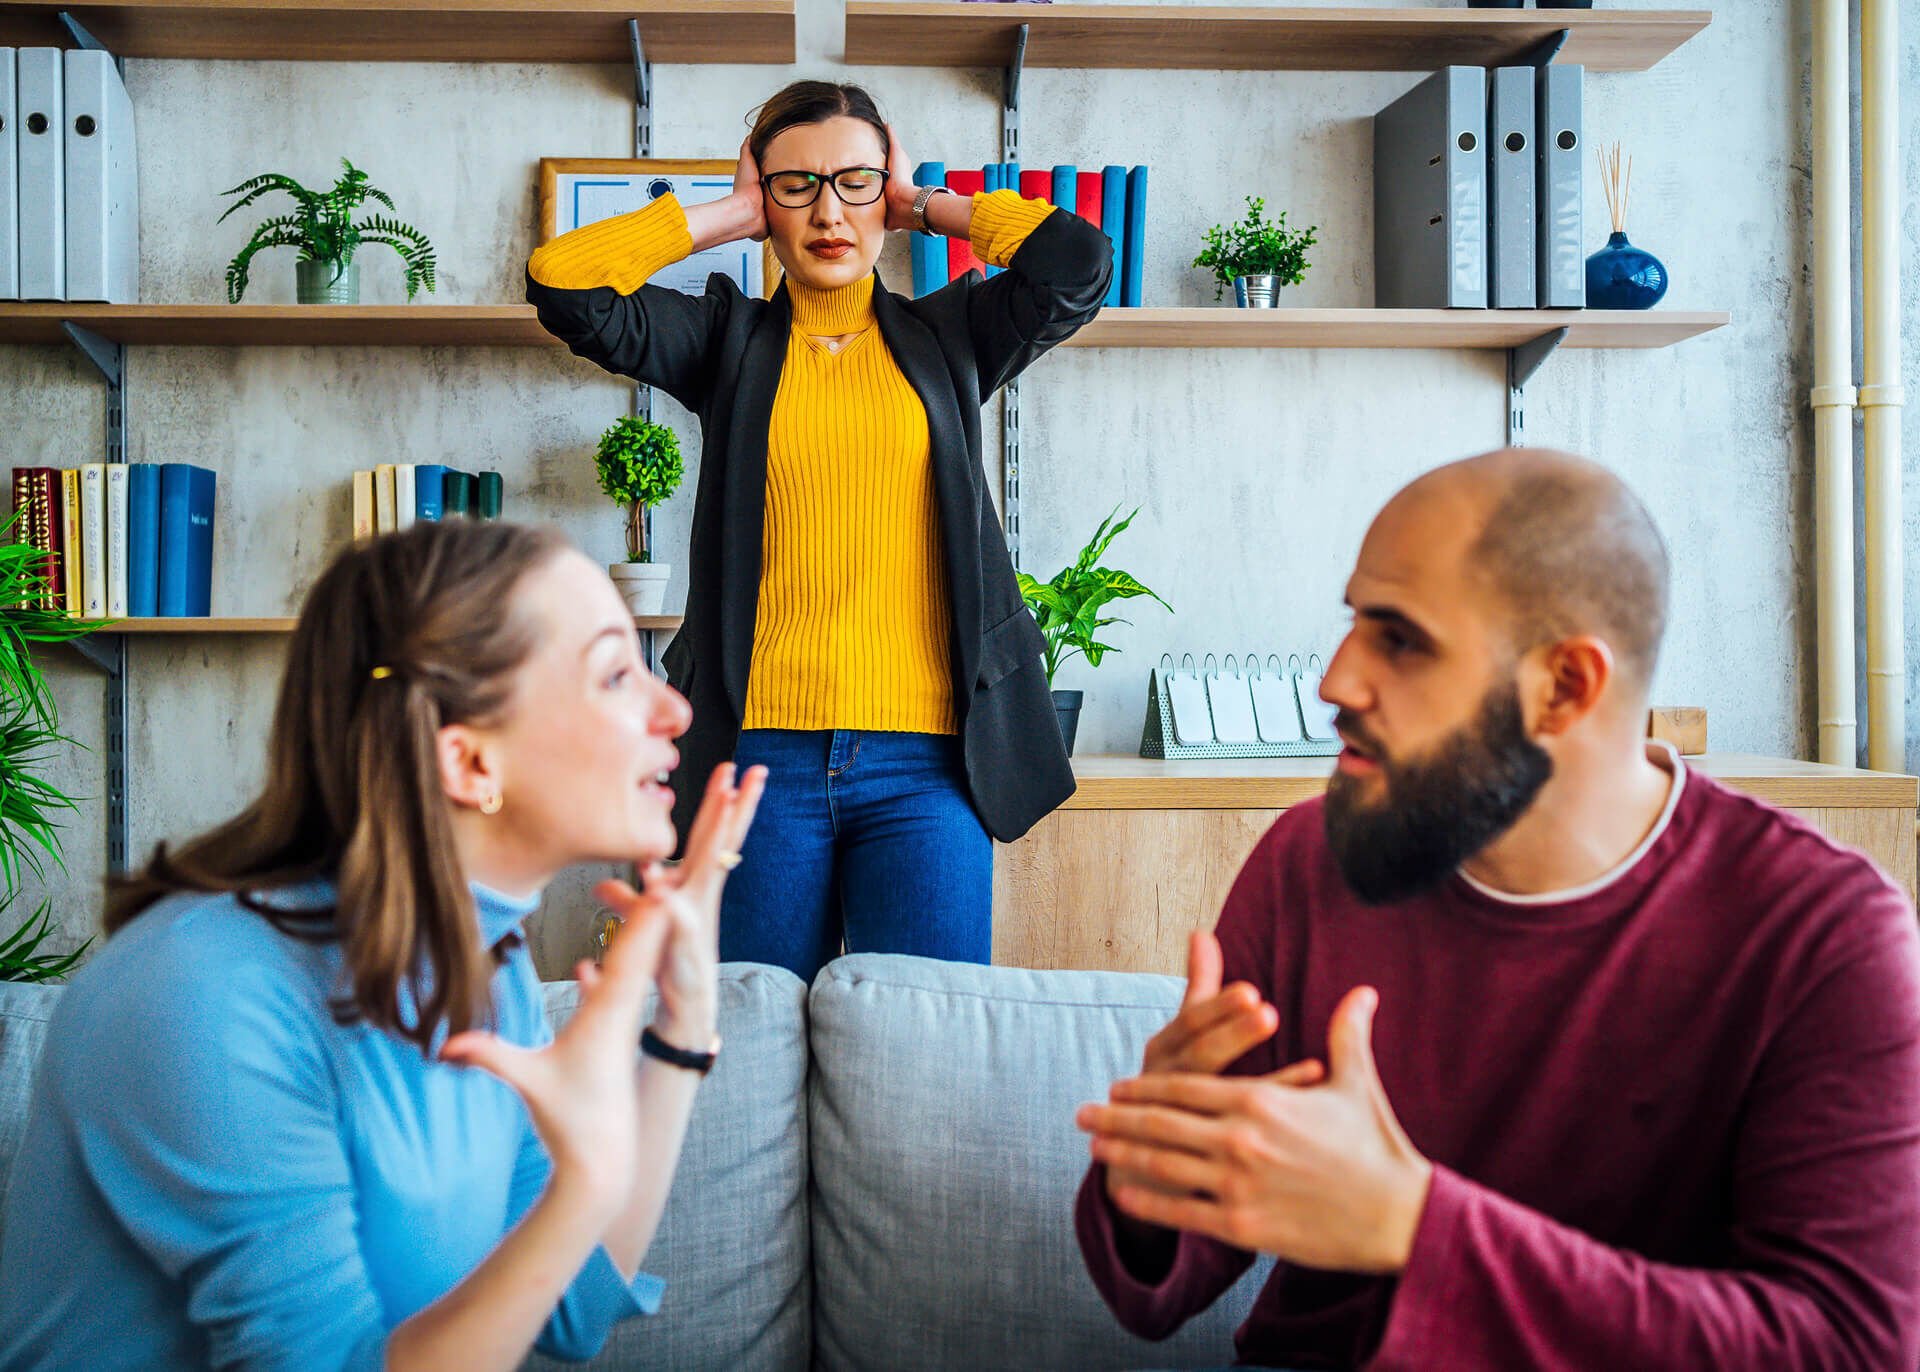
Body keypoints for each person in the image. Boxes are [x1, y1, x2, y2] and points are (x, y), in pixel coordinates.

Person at [1074, 448, 1920, 1369]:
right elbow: (1159, 1291)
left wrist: (1413, 1226)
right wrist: (1159, 1160)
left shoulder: (1825, 938)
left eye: (1401, 640)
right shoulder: (1312, 861)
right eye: (1354, 622)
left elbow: (1851, 1345)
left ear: (1565, 688)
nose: (1335, 681)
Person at [0, 520, 766, 1371]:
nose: (676, 708)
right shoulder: (202, 996)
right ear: (470, 764)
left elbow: (571, 1307)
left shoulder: (490, 965)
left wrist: (683, 1022)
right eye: (617, 674)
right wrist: (585, 1176)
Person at [526, 80, 1111, 982]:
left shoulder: (951, 334)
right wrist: (724, 213)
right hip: (759, 761)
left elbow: (1076, 264)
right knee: (752, 1045)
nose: (828, 210)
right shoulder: (728, 340)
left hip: (931, 768)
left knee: (918, 1056)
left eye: (856, 182)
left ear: (888, 189)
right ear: (767, 197)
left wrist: (928, 204)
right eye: (796, 186)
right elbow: (564, 285)